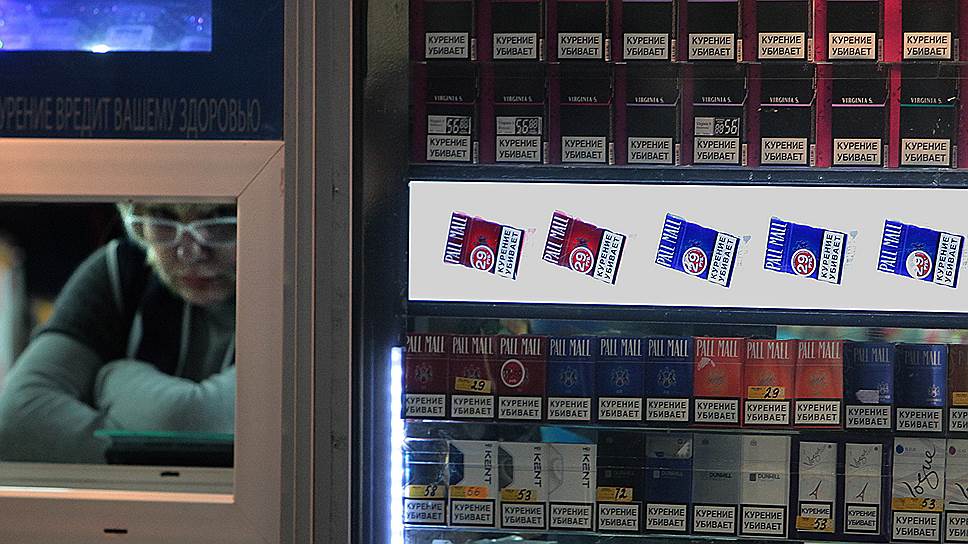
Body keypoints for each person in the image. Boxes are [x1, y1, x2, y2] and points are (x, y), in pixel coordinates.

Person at [0, 202, 237, 463]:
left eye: (220, 217)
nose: (189, 252)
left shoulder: (275, 302)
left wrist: (113, 378)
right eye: (163, 215)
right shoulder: (123, 270)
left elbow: (189, 420)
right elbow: (17, 418)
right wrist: (161, 458)